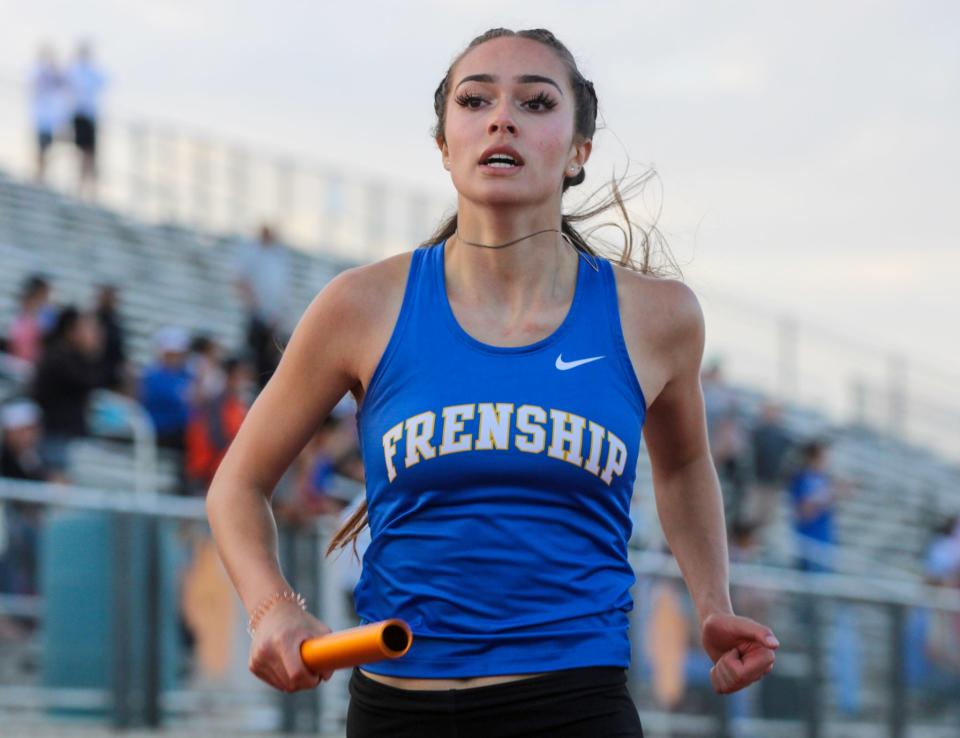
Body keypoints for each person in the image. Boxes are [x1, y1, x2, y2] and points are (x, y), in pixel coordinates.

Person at [206, 27, 779, 737]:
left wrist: (712, 601)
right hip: (396, 712)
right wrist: (272, 606)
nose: (501, 117)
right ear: (446, 145)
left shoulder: (657, 316)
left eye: (536, 103)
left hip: (573, 707)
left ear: (578, 153)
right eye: (475, 100)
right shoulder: (360, 305)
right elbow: (237, 484)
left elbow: (687, 463)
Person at [31, 307, 103, 475]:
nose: (93, 335)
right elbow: (89, 381)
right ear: (71, 330)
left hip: (63, 435)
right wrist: (92, 354)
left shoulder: (64, 356)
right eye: (86, 328)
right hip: (54, 434)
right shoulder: (59, 358)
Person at [232, 225, 291, 391]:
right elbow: (242, 282)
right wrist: (256, 309)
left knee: (269, 357)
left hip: (272, 317)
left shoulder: (277, 257)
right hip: (259, 316)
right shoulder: (252, 254)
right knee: (257, 356)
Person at [66, 42, 107, 200]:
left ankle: (89, 189)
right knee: (82, 152)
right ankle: (81, 187)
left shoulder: (92, 71)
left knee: (90, 153)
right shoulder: (75, 70)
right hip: (80, 115)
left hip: (88, 115)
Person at [29, 46, 69, 184]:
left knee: (48, 148)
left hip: (51, 119)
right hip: (42, 118)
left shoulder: (55, 74)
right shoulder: (38, 71)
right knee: (41, 147)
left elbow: (64, 84)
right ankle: (39, 174)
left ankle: (42, 174)